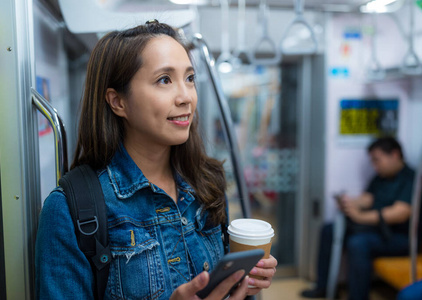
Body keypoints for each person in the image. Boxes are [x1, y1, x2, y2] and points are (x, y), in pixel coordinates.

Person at [35, 20, 277, 299]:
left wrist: (240, 283)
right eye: (164, 80)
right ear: (118, 102)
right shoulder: (70, 209)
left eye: (189, 78)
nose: (186, 97)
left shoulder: (206, 182)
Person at [301, 136, 422, 300]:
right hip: (379, 231)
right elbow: (368, 198)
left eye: (377, 160)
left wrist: (360, 217)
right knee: (329, 230)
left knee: (358, 243)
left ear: (395, 155)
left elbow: (399, 213)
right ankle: (324, 287)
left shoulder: (413, 180)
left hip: (401, 238)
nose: (375, 166)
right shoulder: (381, 177)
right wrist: (350, 203)